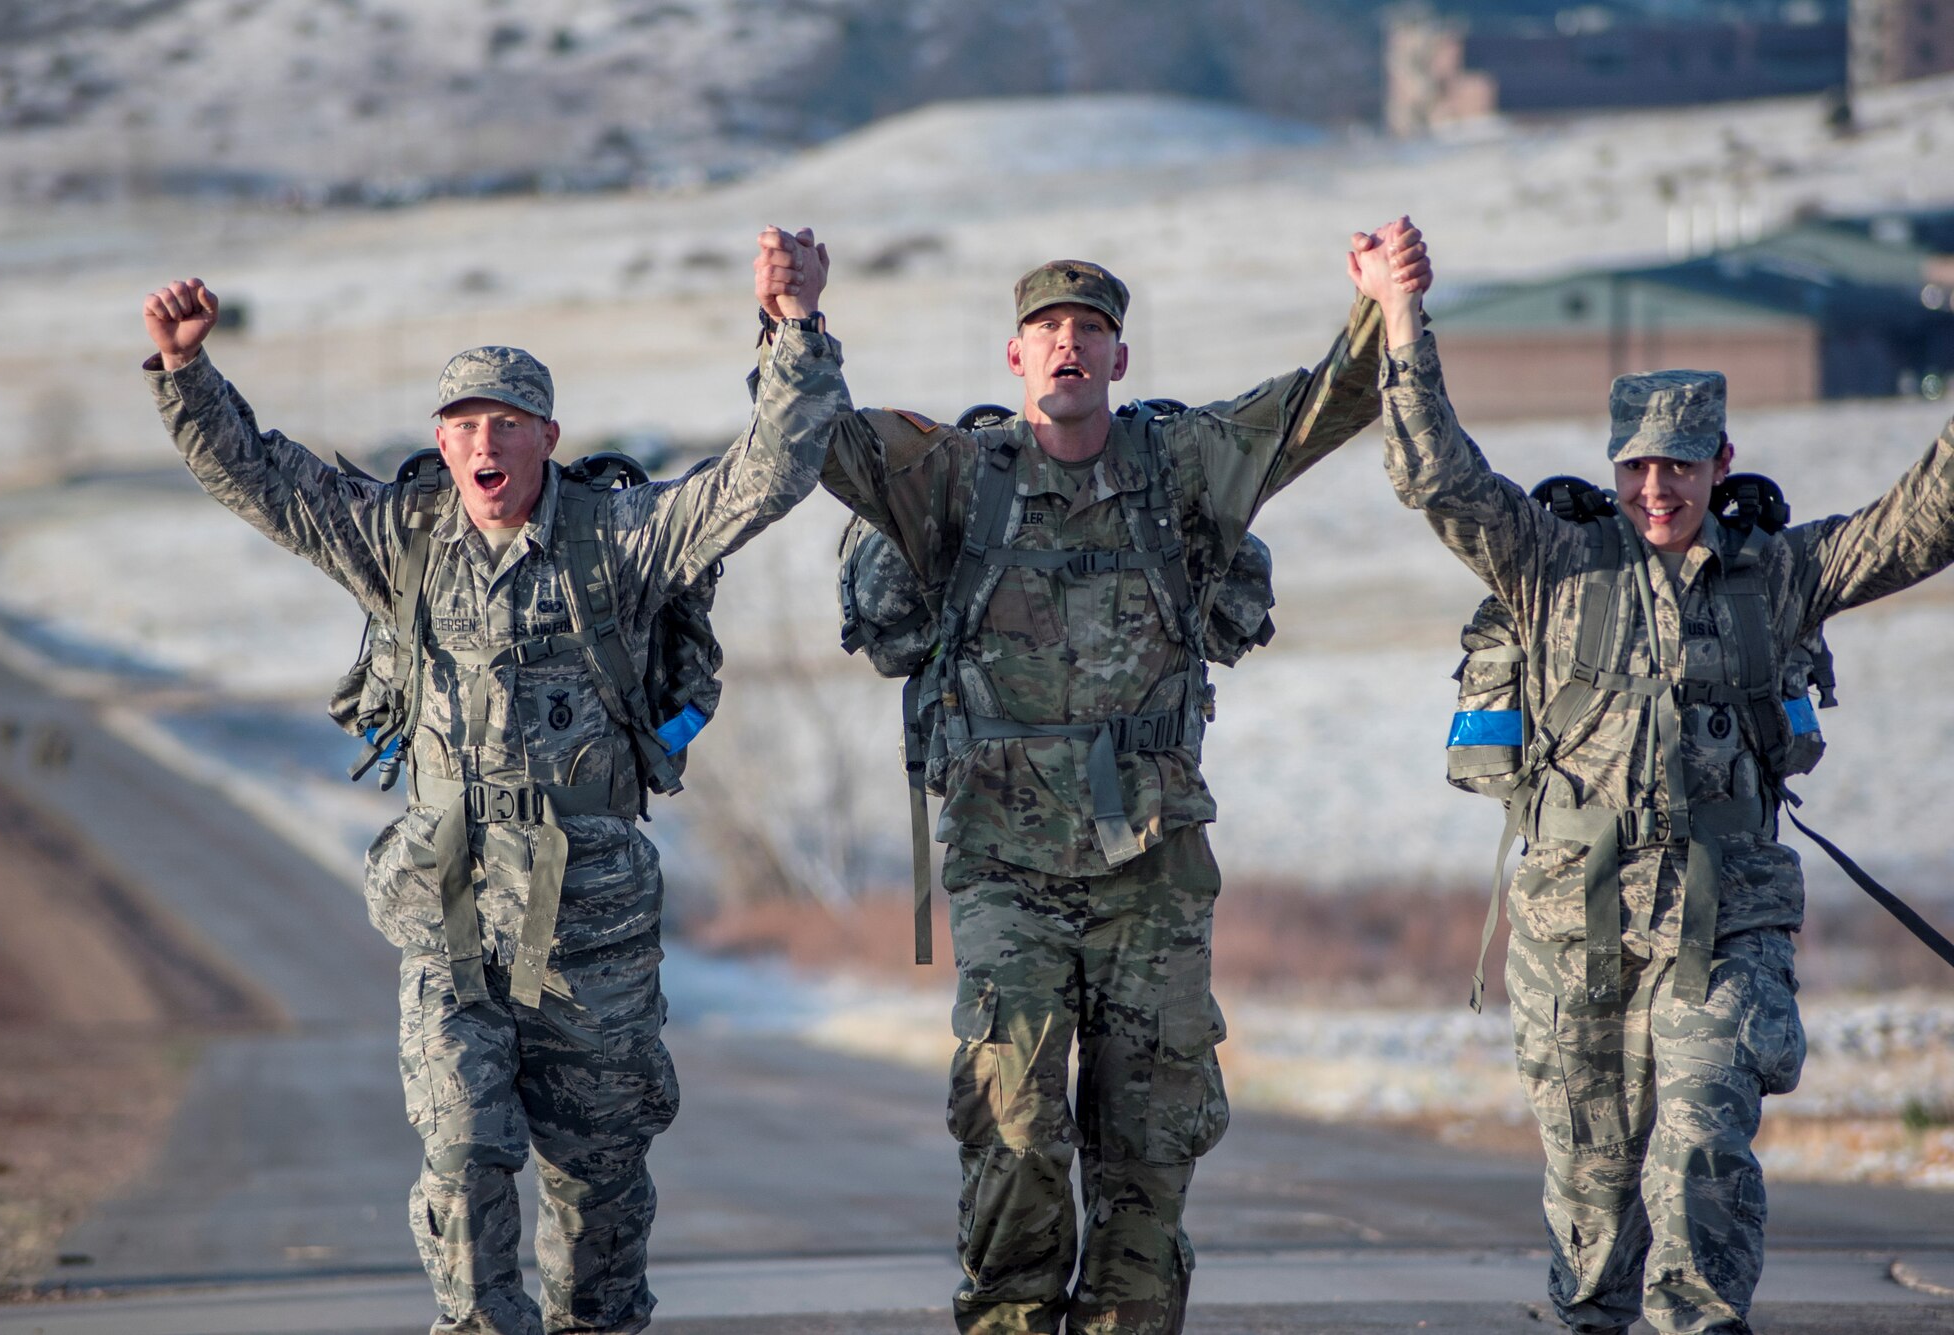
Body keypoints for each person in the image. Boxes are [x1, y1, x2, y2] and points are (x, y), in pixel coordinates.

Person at [140, 239, 850, 1335]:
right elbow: (269, 483)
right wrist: (189, 374)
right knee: (464, 1151)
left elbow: (766, 474)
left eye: (508, 423)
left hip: (593, 920)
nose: (485, 442)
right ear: (440, 441)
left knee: (596, 1183)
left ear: (547, 441)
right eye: (465, 424)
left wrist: (793, 331)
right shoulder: (401, 541)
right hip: (450, 909)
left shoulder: (618, 539)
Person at [770, 221, 1430, 1334]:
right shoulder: (952, 479)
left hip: (1152, 876)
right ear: (1014, 359)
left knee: (1148, 1150)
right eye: (1045, 329)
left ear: (1119, 360)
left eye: (1089, 330)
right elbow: (817, 442)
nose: (1067, 345)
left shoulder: (1184, 469)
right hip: (1002, 869)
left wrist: (1387, 303)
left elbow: (1328, 404)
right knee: (1017, 1129)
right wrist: (793, 321)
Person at [1350, 224, 1954, 1334]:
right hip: (1572, 923)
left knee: (1700, 1135)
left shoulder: (1777, 574)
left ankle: (1700, 1319)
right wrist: (1398, 314)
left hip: (1724, 913)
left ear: (1720, 463)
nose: (1654, 486)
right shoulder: (1547, 558)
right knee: (1591, 1198)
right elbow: (1433, 472)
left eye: (1677, 464)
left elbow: (1920, 524)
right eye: (1634, 465)